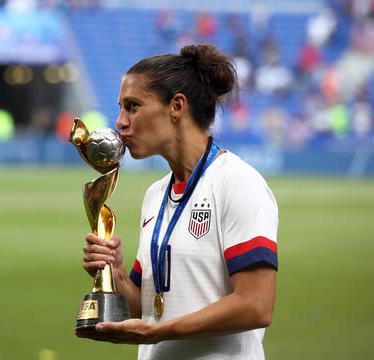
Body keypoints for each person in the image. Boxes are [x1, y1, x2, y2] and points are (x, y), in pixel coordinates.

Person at [77, 43, 279, 359]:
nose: (120, 122)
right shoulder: (155, 195)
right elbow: (147, 311)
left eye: (132, 106)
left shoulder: (237, 183)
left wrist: (159, 333)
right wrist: (115, 273)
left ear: (177, 106)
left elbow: (255, 306)